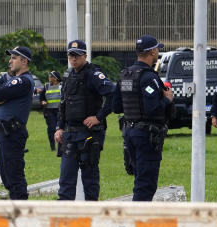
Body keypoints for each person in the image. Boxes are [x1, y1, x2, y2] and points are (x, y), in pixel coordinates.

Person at [111, 35, 173, 202]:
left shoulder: (126, 75)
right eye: (157, 49)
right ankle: (138, 221)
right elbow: (152, 108)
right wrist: (167, 99)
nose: (158, 52)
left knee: (140, 179)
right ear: (152, 51)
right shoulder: (148, 77)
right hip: (147, 136)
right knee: (146, 184)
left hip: (130, 132)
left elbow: (116, 107)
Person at [54, 40, 117, 201]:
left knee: (90, 180)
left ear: (85, 56)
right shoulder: (68, 75)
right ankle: (64, 219)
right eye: (70, 56)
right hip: (70, 134)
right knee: (66, 181)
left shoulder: (93, 74)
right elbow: (63, 103)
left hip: (88, 135)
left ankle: (91, 216)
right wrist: (59, 127)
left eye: (77, 56)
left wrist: (99, 117)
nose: (73, 59)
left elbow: (113, 94)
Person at [0, 46, 36, 200]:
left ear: (24, 61)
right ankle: (15, 207)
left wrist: (0, 97)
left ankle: (21, 211)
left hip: (12, 132)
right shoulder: (14, 80)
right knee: (7, 176)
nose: (10, 61)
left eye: (14, 58)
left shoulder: (23, 80)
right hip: (4, 132)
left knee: (14, 176)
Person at [40, 71, 62, 151]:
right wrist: (42, 101)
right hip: (49, 111)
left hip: (60, 111)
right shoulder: (46, 86)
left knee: (61, 128)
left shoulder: (62, 86)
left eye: (51, 76)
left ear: (55, 78)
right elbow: (41, 97)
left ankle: (61, 145)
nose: (49, 78)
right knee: (51, 128)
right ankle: (53, 147)